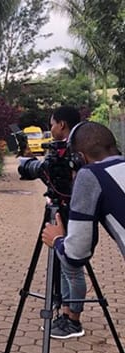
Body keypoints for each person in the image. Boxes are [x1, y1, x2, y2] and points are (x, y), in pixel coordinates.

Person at [42, 121, 125, 339]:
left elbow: (76, 253)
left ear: (78, 157)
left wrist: (58, 239)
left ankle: (71, 321)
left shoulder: (90, 175)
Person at [45, 106, 82, 335]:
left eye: (51, 124)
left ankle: (74, 322)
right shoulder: (64, 149)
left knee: (73, 267)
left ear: (62, 124)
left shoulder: (77, 151)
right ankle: (66, 313)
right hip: (65, 210)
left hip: (76, 215)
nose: (50, 128)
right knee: (63, 264)